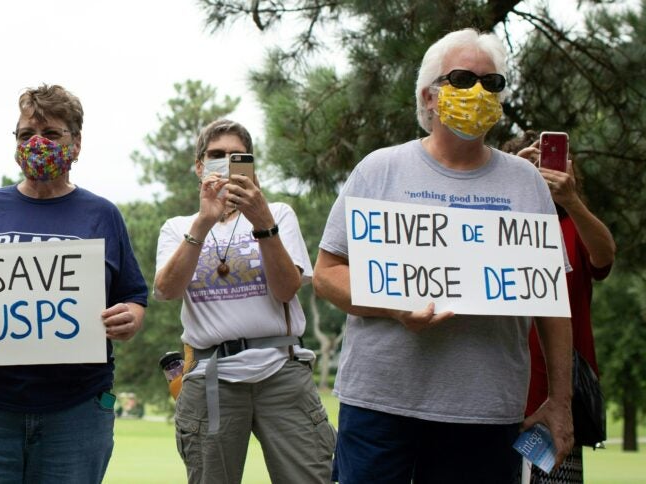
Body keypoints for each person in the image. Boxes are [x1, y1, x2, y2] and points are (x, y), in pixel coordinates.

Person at [313, 28, 574, 483]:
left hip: (485, 412)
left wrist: (561, 402)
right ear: (428, 96)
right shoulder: (379, 169)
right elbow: (327, 274)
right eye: (462, 79)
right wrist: (394, 306)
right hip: (380, 405)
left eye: (491, 83)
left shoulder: (526, 183)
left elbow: (552, 302)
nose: (479, 92)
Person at [0, 84, 148, 484]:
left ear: (76, 144)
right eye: (26, 135)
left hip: (77, 411)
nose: (37, 143)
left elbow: (133, 296)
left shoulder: (103, 215)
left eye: (51, 134)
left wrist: (129, 317)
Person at [154, 119, 336, 484]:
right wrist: (204, 223)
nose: (225, 163)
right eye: (216, 155)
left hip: (280, 371)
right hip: (210, 377)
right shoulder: (178, 227)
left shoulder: (278, 213)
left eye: (237, 157)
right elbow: (167, 290)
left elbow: (286, 289)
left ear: (250, 165)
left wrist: (262, 220)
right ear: (199, 165)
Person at [505, 131, 616, 484]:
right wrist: (505, 183)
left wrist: (572, 201)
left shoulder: (571, 225)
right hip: (494, 394)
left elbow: (604, 257)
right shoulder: (498, 224)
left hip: (553, 403)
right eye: (530, 164)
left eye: (550, 162)